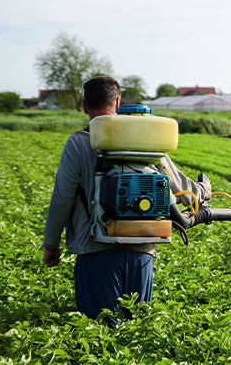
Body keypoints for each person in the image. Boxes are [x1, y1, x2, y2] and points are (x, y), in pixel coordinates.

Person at [42, 76, 211, 326]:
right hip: (141, 250)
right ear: (118, 102)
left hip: (96, 250)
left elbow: (62, 199)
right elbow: (178, 186)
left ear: (84, 106)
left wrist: (51, 244)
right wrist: (202, 190)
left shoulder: (78, 143)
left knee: (99, 332)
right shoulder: (144, 138)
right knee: (137, 331)